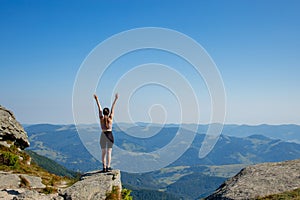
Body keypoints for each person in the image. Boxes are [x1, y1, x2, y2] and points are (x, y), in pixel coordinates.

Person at [93, 93, 119, 172]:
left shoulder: (101, 118)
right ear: (108, 113)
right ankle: (108, 166)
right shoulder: (110, 118)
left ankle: (104, 167)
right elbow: (113, 108)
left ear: (104, 113)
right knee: (109, 152)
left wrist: (97, 100)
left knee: (103, 152)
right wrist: (115, 99)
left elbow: (99, 109)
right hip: (110, 135)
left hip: (103, 135)